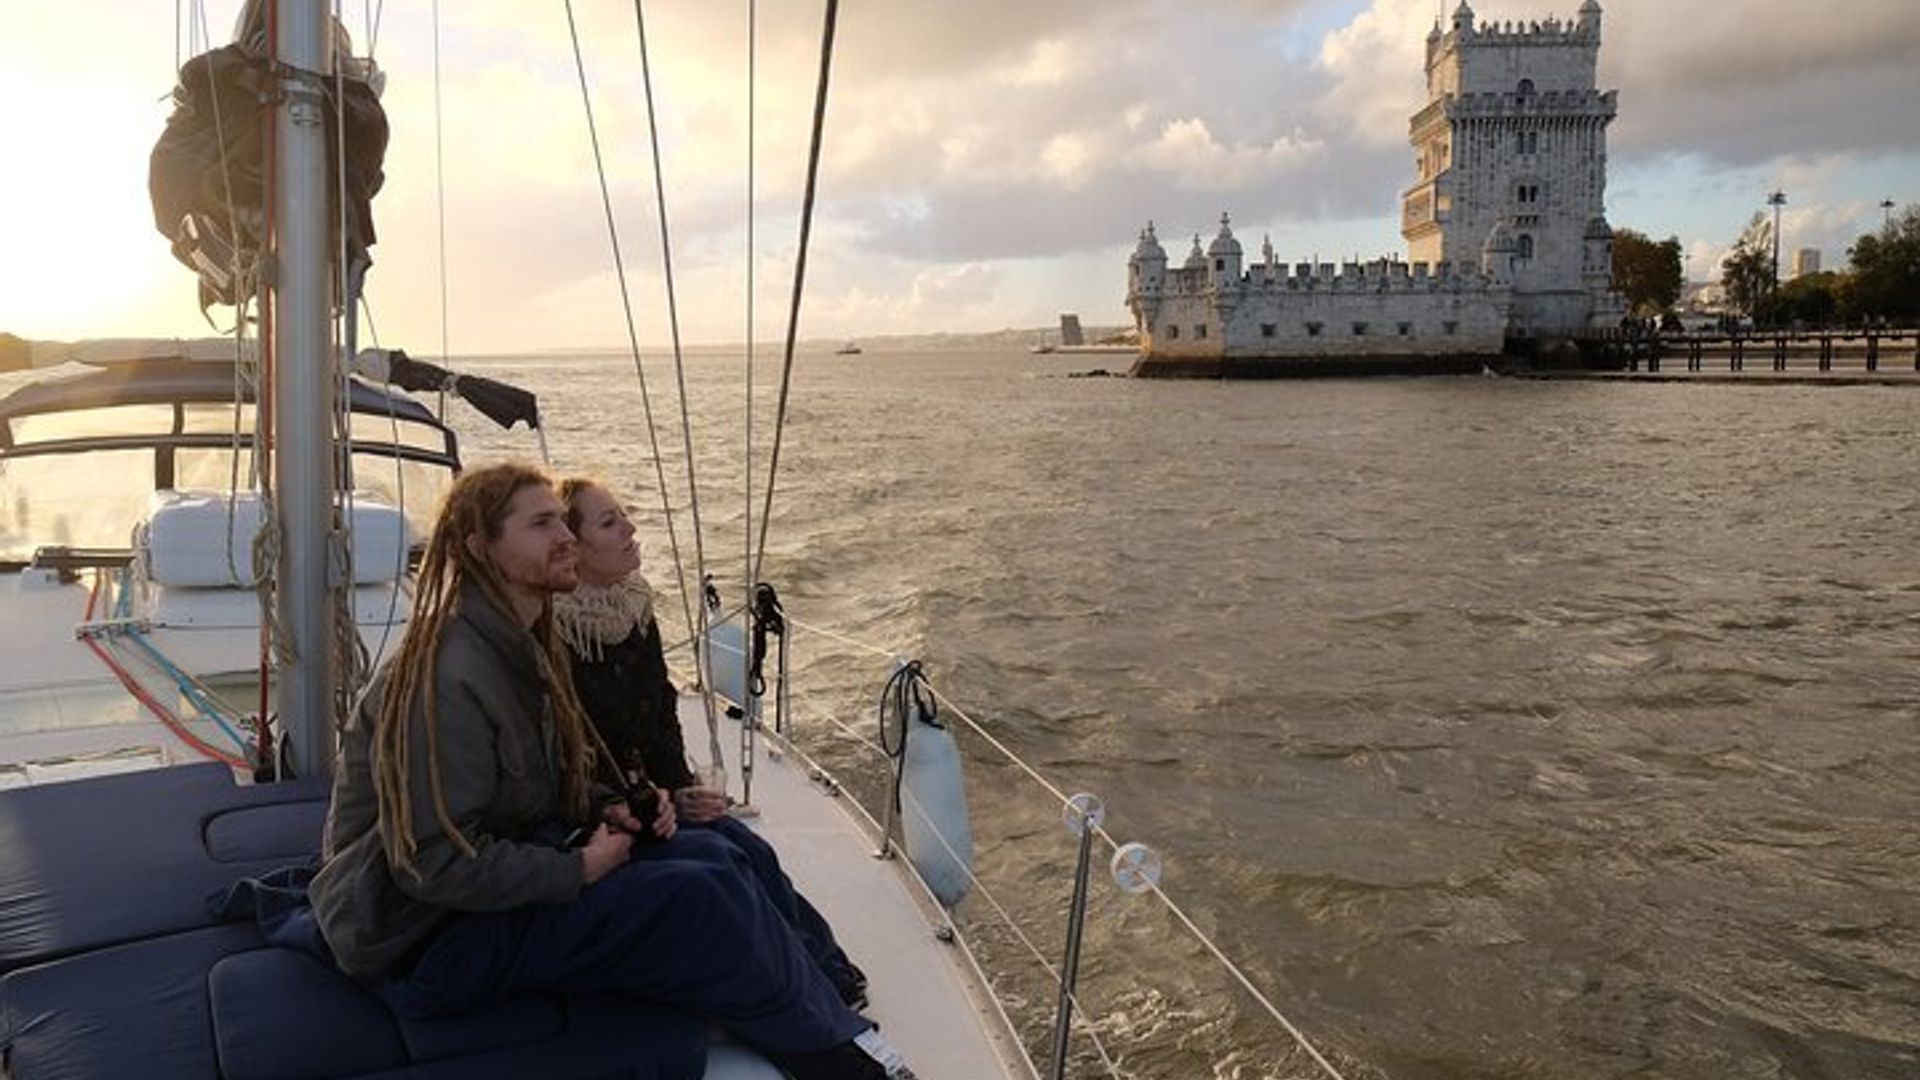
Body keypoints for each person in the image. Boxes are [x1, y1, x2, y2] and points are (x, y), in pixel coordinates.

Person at [307, 462, 913, 1080]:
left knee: (717, 858)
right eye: (542, 524)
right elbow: (431, 864)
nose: (564, 536)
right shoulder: (445, 677)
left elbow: (533, 785)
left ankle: (831, 1019)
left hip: (480, 900)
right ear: (479, 548)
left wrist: (607, 806)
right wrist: (579, 867)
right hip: (424, 942)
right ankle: (838, 1062)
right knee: (693, 897)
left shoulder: (518, 644)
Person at [554, 477, 867, 1006]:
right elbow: (574, 745)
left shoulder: (632, 608)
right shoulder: (557, 631)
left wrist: (681, 787)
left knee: (748, 845)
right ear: (574, 547)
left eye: (625, 514)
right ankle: (805, 981)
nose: (630, 529)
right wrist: (651, 801)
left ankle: (822, 968)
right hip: (604, 809)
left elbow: (658, 710)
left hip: (650, 792)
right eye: (609, 523)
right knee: (727, 856)